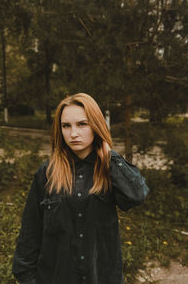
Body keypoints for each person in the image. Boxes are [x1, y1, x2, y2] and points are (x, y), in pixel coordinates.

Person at [12, 93, 149, 284]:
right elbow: (29, 235)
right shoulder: (47, 172)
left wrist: (109, 155)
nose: (73, 133)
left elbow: (137, 195)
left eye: (82, 124)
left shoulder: (109, 170)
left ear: (96, 125)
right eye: (66, 126)